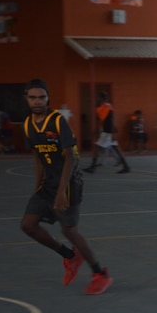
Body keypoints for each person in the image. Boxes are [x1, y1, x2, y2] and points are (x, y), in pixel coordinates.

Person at [19, 78, 112, 295]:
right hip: (47, 182)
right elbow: (37, 157)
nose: (37, 101)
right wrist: (37, 186)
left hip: (68, 181)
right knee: (28, 225)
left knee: (69, 230)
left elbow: (70, 157)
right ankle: (70, 257)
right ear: (26, 99)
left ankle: (100, 273)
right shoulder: (27, 125)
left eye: (41, 97)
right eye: (32, 97)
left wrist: (61, 192)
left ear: (48, 97)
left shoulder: (57, 120)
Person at [83, 91, 130, 174]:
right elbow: (101, 121)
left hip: (108, 132)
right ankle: (126, 166)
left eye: (98, 98)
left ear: (102, 98)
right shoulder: (100, 108)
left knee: (97, 147)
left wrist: (112, 133)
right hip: (107, 131)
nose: (96, 99)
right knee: (116, 149)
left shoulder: (107, 107)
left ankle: (93, 167)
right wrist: (98, 131)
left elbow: (111, 120)